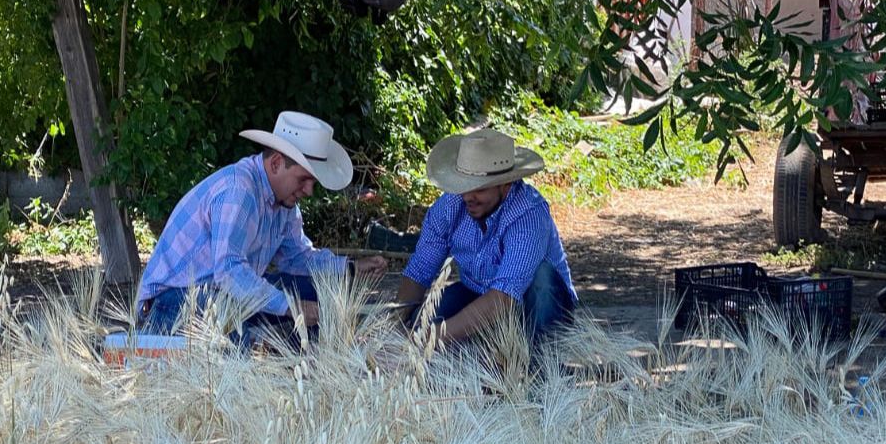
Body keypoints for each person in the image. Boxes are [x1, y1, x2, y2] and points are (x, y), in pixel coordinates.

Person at [136, 111, 388, 337]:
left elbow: (299, 258)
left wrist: (350, 268)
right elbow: (230, 271)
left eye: (313, 182)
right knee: (233, 334)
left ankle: (304, 365)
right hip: (171, 301)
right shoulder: (239, 191)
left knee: (318, 290)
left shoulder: (284, 205)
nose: (309, 191)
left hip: (218, 295)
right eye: (304, 179)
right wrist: (289, 307)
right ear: (276, 163)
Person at [395, 129, 577, 343]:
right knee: (421, 319)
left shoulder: (529, 213)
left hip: (534, 302)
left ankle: (543, 360)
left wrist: (432, 339)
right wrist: (393, 327)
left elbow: (504, 297)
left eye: (479, 189)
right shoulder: (450, 206)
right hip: (477, 292)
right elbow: (420, 270)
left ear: (506, 185)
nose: (468, 196)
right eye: (463, 186)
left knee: (542, 280)